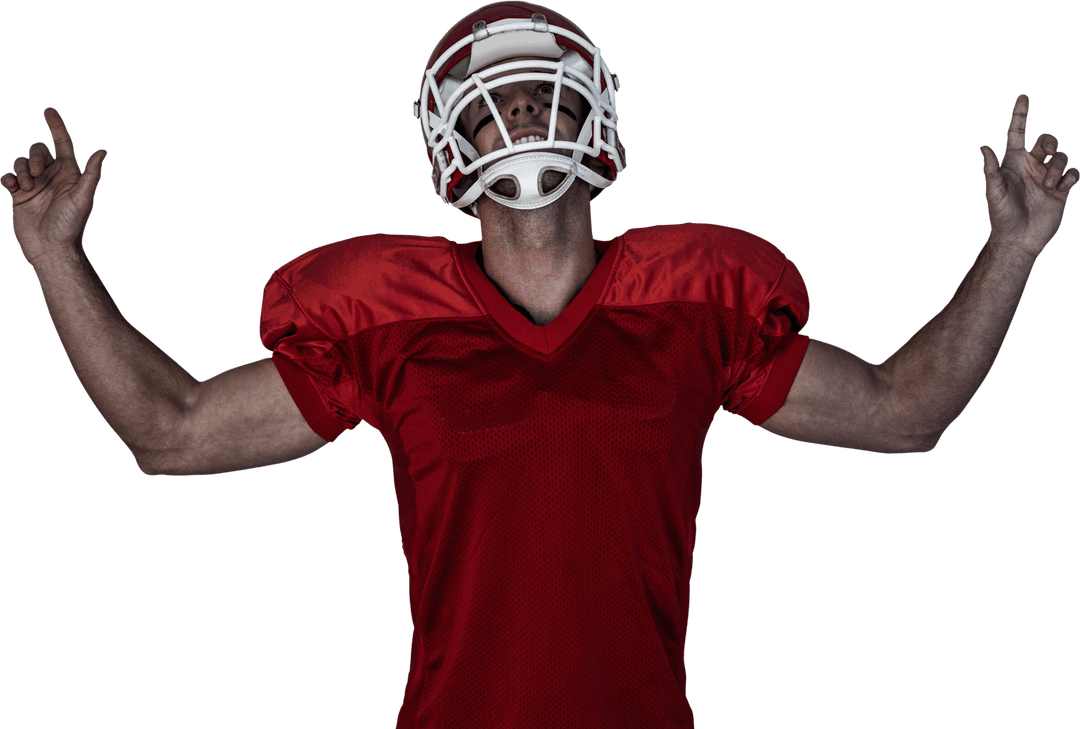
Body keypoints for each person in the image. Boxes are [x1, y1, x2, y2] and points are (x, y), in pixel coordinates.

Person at [3, 2, 1076, 727]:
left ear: (595, 117)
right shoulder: (388, 325)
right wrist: (57, 261)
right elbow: (172, 432)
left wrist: (1012, 251)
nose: (518, 110)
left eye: (540, 91)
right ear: (448, 141)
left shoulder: (693, 305)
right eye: (491, 99)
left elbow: (904, 412)